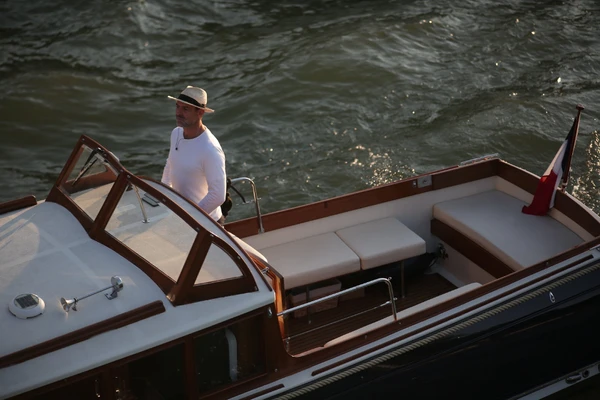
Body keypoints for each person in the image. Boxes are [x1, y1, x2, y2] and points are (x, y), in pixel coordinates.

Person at [161, 86, 227, 224]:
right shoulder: (176, 133)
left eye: (185, 109)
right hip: (182, 215)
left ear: (200, 113)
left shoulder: (210, 149)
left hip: (206, 223)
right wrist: (164, 197)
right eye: (177, 107)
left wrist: (191, 218)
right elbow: (170, 164)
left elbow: (218, 195)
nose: (178, 113)